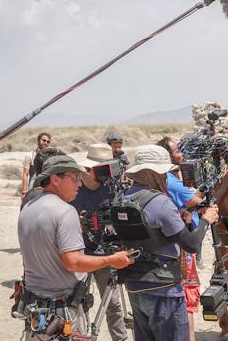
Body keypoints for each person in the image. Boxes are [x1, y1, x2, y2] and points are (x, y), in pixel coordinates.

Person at [18, 155, 135, 339]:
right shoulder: (65, 211)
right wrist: (113, 260)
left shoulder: (28, 207)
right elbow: (73, 262)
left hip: (35, 309)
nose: (79, 184)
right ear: (55, 180)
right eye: (75, 178)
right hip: (61, 311)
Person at [120, 145, 219, 341]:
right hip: (163, 289)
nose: (166, 178)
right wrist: (206, 220)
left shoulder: (123, 197)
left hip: (134, 285)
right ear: (152, 173)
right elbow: (191, 244)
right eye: (164, 173)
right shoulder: (160, 202)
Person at [71, 144, 129, 341]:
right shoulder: (75, 189)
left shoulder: (112, 189)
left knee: (112, 304)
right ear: (91, 168)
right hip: (79, 255)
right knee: (77, 303)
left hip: (106, 254)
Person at [156, 136, 204, 341]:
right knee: (186, 296)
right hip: (183, 245)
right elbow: (196, 200)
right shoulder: (171, 181)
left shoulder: (168, 178)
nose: (181, 153)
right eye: (177, 150)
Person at [21, 132, 51, 200]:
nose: (46, 142)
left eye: (48, 141)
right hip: (33, 188)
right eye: (43, 140)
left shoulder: (50, 157)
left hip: (46, 189)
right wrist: (24, 192)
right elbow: (25, 175)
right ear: (38, 140)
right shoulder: (30, 155)